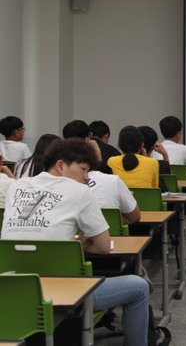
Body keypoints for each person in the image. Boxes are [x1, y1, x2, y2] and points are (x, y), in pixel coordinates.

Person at [1, 138, 149, 346]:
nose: (86, 177)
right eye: (83, 169)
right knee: (138, 287)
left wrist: (66, 246)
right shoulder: (80, 191)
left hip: (10, 292)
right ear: (61, 165)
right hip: (60, 298)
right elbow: (104, 247)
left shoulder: (17, 187)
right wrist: (77, 244)